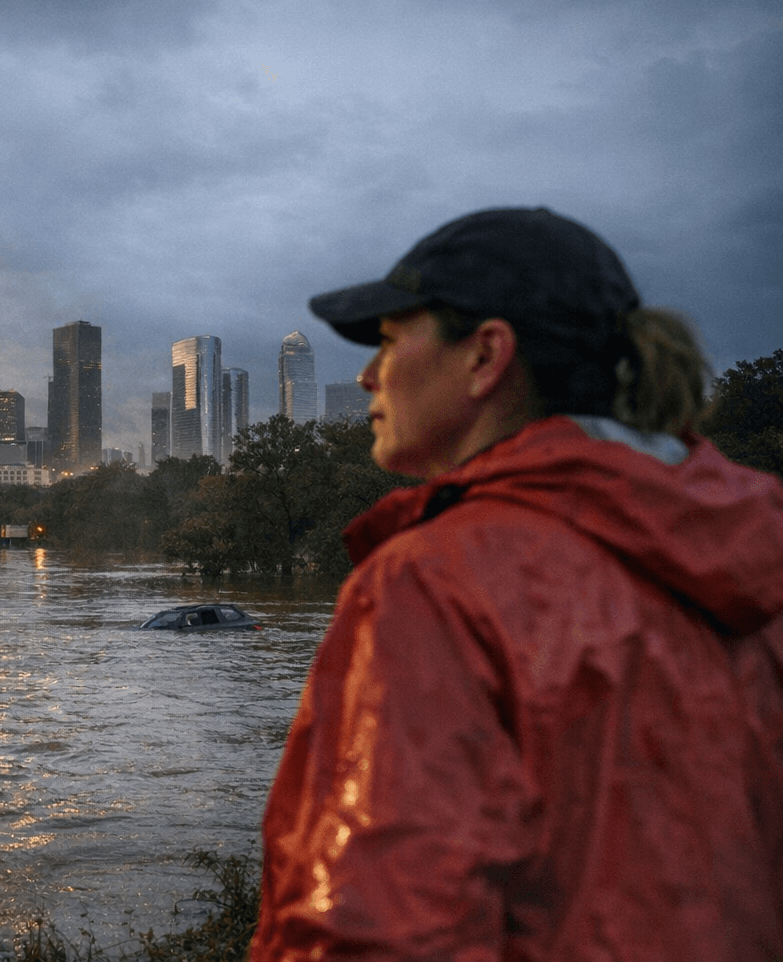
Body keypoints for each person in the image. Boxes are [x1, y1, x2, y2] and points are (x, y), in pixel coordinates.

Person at [249, 207, 783, 960]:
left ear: (486, 355)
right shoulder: (758, 559)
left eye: (392, 339)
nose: (368, 374)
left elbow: (380, 931)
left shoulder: (436, 582)